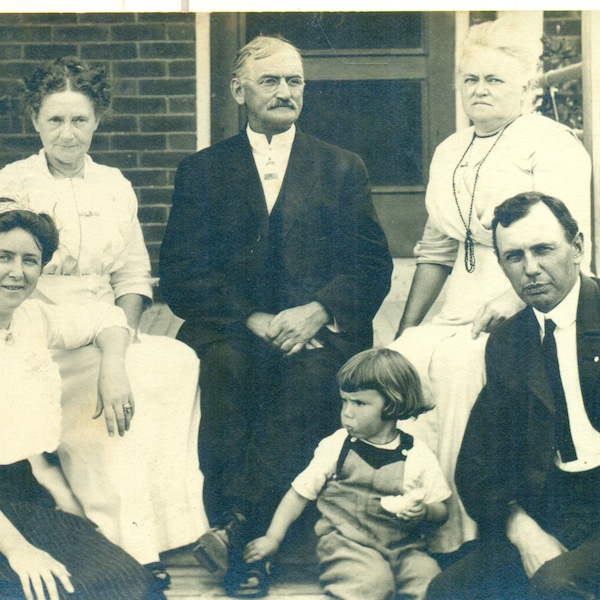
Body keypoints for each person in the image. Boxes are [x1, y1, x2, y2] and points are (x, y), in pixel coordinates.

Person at [159, 35, 393, 595]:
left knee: (313, 376)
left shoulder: (342, 167)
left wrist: (318, 311)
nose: (286, 91)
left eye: (295, 81)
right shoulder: (201, 170)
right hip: (233, 327)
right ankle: (251, 537)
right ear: (239, 90)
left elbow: (371, 265)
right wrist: (253, 319)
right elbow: (181, 272)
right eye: (271, 81)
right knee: (224, 370)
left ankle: (239, 531)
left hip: (318, 331)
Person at [388, 16, 592, 555]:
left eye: (495, 80)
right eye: (471, 79)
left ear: (527, 89)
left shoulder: (551, 145)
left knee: (460, 369)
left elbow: (562, 242)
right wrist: (407, 329)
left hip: (527, 299)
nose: (479, 90)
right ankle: (416, 517)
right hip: (459, 301)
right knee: (401, 363)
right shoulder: (449, 150)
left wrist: (513, 298)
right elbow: (435, 248)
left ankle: (469, 536)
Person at [0, 56, 208, 581]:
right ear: (35, 122)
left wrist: (126, 335)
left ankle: (162, 528)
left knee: (173, 360)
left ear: (97, 120)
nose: (68, 134)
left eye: (79, 120)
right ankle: (123, 544)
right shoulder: (12, 181)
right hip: (38, 326)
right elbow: (10, 272)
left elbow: (133, 273)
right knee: (104, 387)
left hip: (106, 326)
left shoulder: (115, 183)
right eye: (55, 120)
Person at [427, 191, 600, 599]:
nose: (532, 269)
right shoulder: (510, 341)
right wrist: (521, 529)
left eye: (544, 249)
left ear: (577, 248)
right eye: (514, 256)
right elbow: (478, 464)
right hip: (557, 507)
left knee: (557, 584)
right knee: (450, 590)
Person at [0, 199, 162, 600]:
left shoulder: (31, 319)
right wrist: (19, 549)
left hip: (21, 495)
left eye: (30, 260)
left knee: (129, 584)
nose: (16, 273)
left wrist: (113, 369)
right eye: (3, 256)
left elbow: (106, 317)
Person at [243, 348, 451, 599]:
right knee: (371, 584)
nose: (347, 412)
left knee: (430, 582)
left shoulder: (418, 453)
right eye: (345, 401)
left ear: (392, 404)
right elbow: (299, 494)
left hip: (404, 548)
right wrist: (272, 539)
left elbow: (440, 509)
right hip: (347, 545)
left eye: (360, 403)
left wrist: (425, 511)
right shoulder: (338, 445)